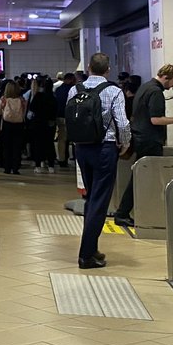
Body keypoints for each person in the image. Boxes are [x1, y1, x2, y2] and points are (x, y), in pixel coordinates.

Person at [68, 53, 130, 269]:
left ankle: (92, 249)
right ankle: (86, 255)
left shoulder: (74, 90)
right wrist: (125, 143)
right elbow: (122, 123)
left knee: (91, 198)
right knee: (99, 201)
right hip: (104, 149)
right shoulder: (114, 91)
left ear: (88, 67)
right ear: (108, 70)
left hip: (82, 149)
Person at [114, 65, 173, 228]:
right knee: (141, 178)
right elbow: (156, 119)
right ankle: (123, 213)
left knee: (139, 177)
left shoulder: (145, 87)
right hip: (150, 140)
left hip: (140, 137)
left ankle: (127, 211)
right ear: (165, 77)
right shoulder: (156, 92)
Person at [28, 76, 58, 172]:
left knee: (38, 144)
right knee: (49, 144)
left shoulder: (38, 96)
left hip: (38, 123)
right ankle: (51, 166)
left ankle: (38, 165)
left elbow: (32, 108)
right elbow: (55, 111)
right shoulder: (53, 97)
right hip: (50, 124)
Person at [0, 81, 27, 174]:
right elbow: (24, 113)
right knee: (17, 147)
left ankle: (7, 168)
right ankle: (16, 168)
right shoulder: (22, 100)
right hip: (19, 125)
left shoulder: (3, 99)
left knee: (6, 147)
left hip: (6, 124)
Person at [53, 72, 77, 167]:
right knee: (75, 139)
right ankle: (75, 159)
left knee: (62, 139)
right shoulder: (73, 90)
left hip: (60, 116)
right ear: (70, 79)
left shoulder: (58, 90)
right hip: (70, 117)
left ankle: (62, 159)